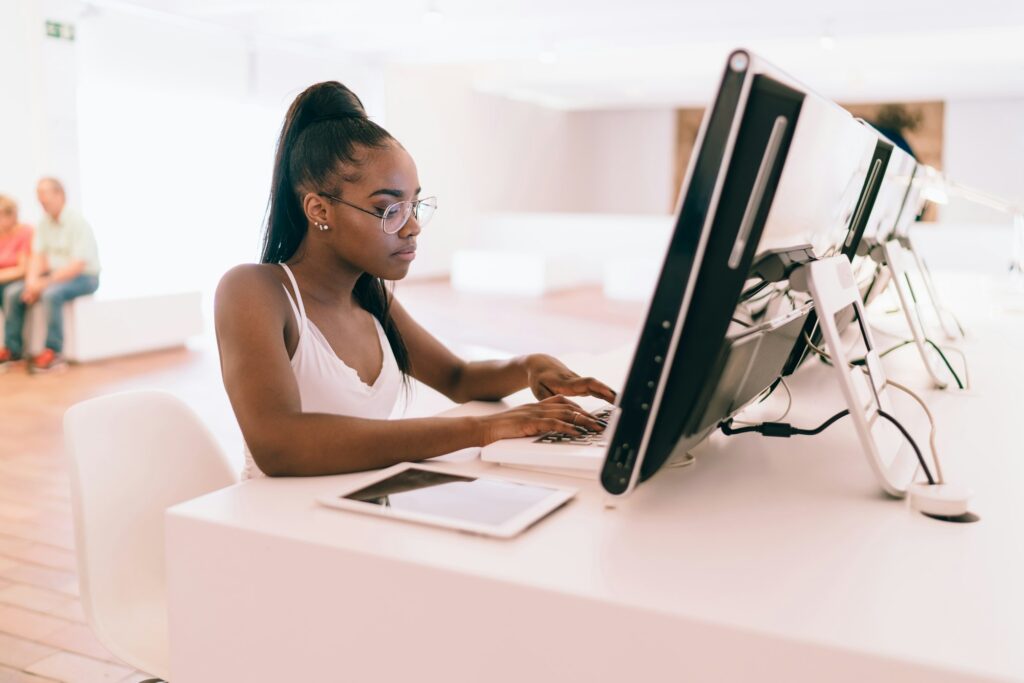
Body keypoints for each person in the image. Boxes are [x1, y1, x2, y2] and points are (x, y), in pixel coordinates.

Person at [216, 81, 616, 478]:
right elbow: (279, 444)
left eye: (415, 205)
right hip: (275, 525)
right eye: (388, 208)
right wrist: (482, 429)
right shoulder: (254, 291)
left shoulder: (371, 300)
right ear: (320, 210)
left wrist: (531, 365)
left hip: (360, 510)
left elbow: (459, 379)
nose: (413, 228)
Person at [0, 178, 100, 373]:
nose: (41, 199)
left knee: (51, 294)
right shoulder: (44, 224)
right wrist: (31, 283)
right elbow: (37, 257)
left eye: (44, 193)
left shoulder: (77, 222)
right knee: (13, 293)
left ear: (60, 194)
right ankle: (13, 350)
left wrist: (42, 284)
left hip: (84, 277)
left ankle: (54, 352)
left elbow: (77, 266)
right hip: (53, 276)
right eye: (38, 194)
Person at [0, 195, 34, 371]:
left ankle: (13, 350)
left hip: (21, 280)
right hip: (5, 280)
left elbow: (23, 269)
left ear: (12, 215)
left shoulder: (25, 232)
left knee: (10, 293)